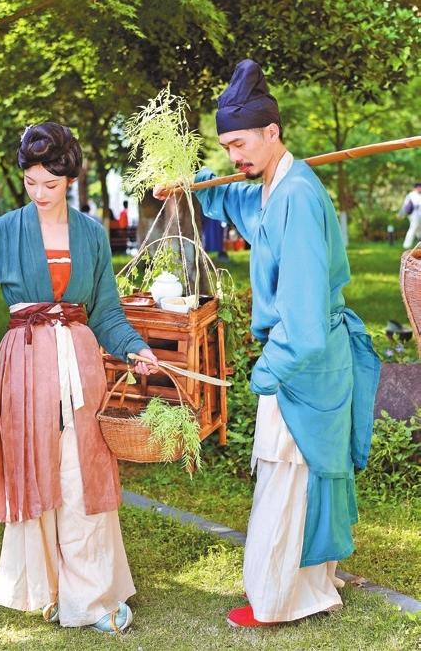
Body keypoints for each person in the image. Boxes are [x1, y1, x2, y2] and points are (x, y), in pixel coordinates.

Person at [154, 60, 380, 628]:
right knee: (301, 471)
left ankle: (282, 599)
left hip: (305, 356)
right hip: (305, 353)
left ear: (272, 131)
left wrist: (271, 368)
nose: (234, 156)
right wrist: (194, 182)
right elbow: (237, 201)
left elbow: (303, 306)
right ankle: (309, 584)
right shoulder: (275, 187)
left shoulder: (297, 196)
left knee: (289, 473)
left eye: (240, 144)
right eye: (227, 147)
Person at [0, 122, 158, 632]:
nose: (39, 193)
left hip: (80, 361)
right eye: (31, 182)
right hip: (26, 363)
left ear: (69, 180)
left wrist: (135, 347)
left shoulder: (91, 234)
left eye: (50, 184)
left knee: (83, 474)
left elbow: (107, 312)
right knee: (34, 468)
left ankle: (93, 598)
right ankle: (47, 589)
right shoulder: (5, 229)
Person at [399, 182, 421, 249]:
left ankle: (419, 244)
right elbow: (405, 205)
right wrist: (401, 214)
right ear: (416, 188)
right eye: (419, 187)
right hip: (414, 215)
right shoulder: (411, 195)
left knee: (418, 230)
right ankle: (406, 245)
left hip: (419, 215)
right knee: (413, 228)